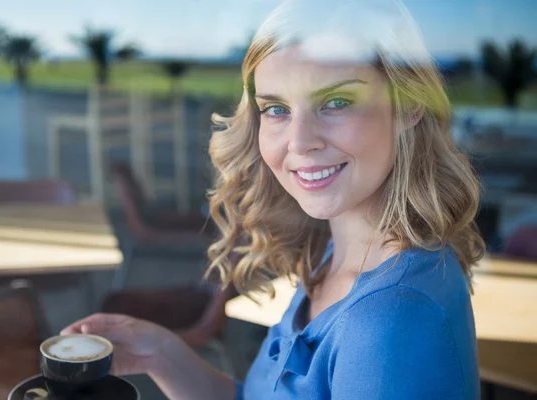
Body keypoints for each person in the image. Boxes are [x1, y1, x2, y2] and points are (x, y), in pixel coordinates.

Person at [61, 0, 485, 398]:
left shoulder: (389, 321)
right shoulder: (340, 254)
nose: (299, 143)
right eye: (277, 109)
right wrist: (158, 352)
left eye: (337, 102)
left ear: (409, 105)